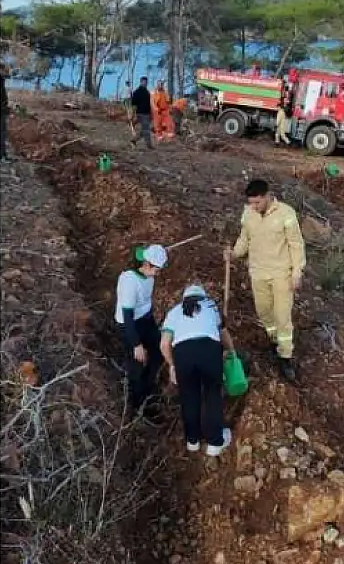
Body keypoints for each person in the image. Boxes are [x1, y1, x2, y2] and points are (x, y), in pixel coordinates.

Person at [231, 179, 305, 381]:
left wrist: (297, 272)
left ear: (267, 196)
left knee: (282, 316)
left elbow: (296, 244)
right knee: (264, 311)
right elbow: (244, 239)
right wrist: (234, 253)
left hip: (282, 274)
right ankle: (273, 339)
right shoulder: (248, 213)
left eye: (257, 203)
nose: (253, 207)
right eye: (251, 203)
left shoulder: (286, 214)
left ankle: (285, 356)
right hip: (258, 273)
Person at [160, 283, 234, 456]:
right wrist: (231, 351)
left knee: (189, 396)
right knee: (212, 394)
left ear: (184, 298)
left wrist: (172, 365)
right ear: (203, 296)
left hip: (183, 355)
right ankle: (215, 443)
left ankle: (192, 440)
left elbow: (164, 344)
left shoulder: (174, 312)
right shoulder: (211, 306)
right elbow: (223, 333)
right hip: (209, 351)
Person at [116, 243, 169, 415]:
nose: (158, 274)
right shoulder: (130, 283)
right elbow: (127, 317)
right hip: (130, 326)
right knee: (137, 365)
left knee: (159, 351)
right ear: (147, 264)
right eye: (157, 269)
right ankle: (138, 403)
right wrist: (136, 344)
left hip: (146, 319)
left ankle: (151, 385)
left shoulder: (148, 274)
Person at [128, 77, 154, 148]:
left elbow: (149, 104)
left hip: (147, 113)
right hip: (141, 113)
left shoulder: (147, 92)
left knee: (145, 130)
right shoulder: (137, 92)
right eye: (144, 82)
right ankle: (149, 145)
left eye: (146, 82)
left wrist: (151, 114)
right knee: (146, 130)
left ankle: (134, 140)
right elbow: (133, 104)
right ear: (141, 82)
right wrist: (132, 114)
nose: (145, 84)